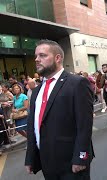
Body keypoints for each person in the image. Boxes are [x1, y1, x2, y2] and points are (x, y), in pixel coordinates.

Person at [25, 39, 94, 179]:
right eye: (36, 56)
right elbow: (33, 125)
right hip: (47, 162)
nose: (37, 59)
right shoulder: (37, 91)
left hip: (71, 163)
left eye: (42, 55)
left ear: (57, 58)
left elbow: (85, 125)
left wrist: (81, 157)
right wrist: (30, 157)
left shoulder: (77, 84)